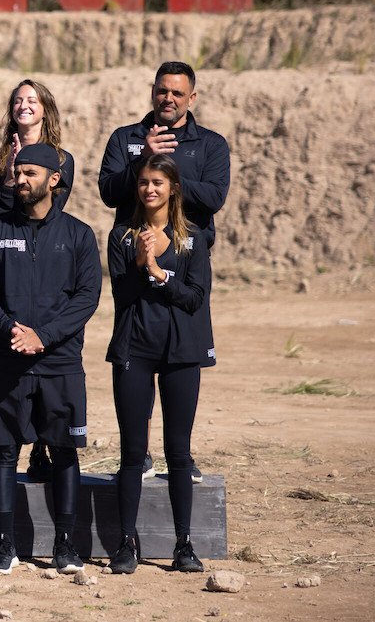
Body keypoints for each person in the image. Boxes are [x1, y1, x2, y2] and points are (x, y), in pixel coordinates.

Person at [0, 144, 101, 576]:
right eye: (17, 173)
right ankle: (4, 545)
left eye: (29, 173)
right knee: (4, 451)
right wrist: (12, 330)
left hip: (61, 364)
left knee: (63, 451)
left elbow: (87, 297)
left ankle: (65, 544)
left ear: (53, 179)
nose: (20, 180)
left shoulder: (79, 234)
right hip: (9, 361)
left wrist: (43, 336)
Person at [98, 61, 228, 482]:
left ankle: (180, 455)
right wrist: (143, 157)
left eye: (177, 93)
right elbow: (107, 191)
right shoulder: (126, 138)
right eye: (162, 91)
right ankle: (138, 454)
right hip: (134, 258)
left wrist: (167, 175)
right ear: (152, 91)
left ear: (192, 97)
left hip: (187, 260)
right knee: (136, 356)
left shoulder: (210, 144)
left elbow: (214, 197)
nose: (168, 99)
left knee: (182, 358)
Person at [105, 154, 215, 574]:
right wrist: (139, 265)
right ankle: (126, 543)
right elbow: (121, 296)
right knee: (133, 452)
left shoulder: (193, 239)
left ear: (173, 189)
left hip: (181, 351)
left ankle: (183, 544)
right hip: (134, 348)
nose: (149, 189)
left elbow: (194, 298)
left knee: (178, 451)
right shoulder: (121, 236)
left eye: (158, 182)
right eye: (143, 182)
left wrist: (159, 271)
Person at [0, 79, 76, 483]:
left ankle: (42, 450)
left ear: (45, 108)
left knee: (47, 365)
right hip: (5, 264)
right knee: (5, 363)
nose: (24, 105)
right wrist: (9, 179)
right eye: (17, 100)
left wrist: (27, 182)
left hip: (48, 265)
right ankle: (1, 447)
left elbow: (50, 210)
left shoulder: (63, 159)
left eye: (32, 99)